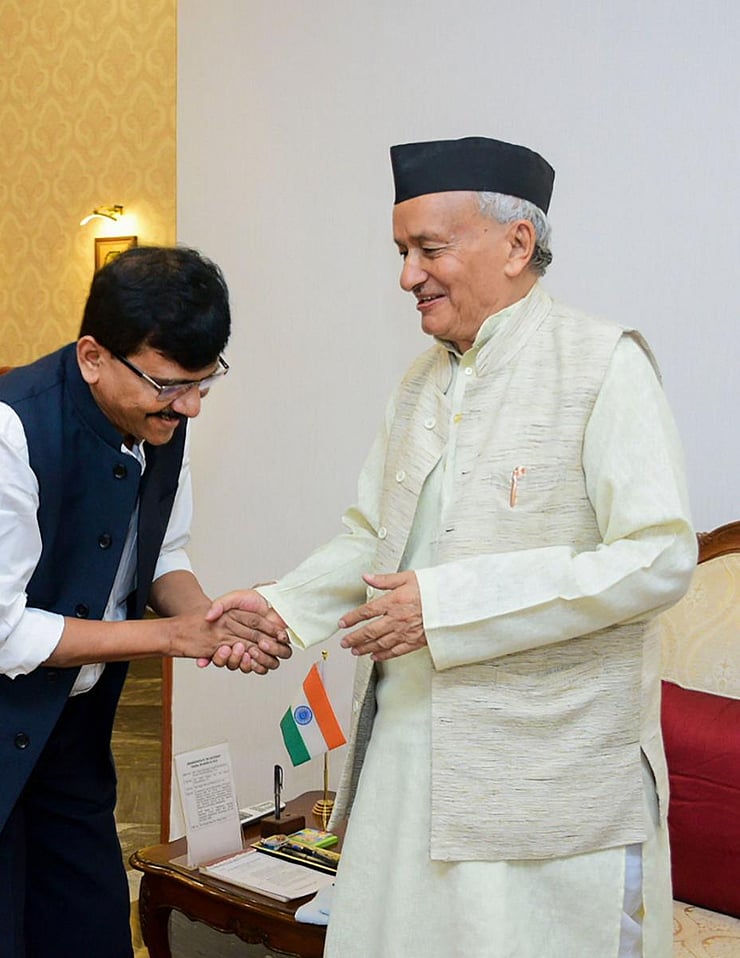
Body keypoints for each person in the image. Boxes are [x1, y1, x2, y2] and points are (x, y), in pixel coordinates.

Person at [210, 137, 697, 957]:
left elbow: (657, 556)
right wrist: (282, 607)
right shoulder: (420, 380)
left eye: (429, 249)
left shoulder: (604, 364)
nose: (408, 276)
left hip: (548, 778)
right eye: (402, 252)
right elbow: (373, 536)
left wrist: (448, 605)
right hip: (408, 763)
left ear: (516, 245)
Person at [0, 245, 290, 957]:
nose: (192, 405)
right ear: (93, 357)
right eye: (171, 384)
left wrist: (208, 615)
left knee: (87, 934)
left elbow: (158, 556)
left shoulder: (163, 425)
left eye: (206, 383)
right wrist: (176, 637)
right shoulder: (0, 431)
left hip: (67, 735)